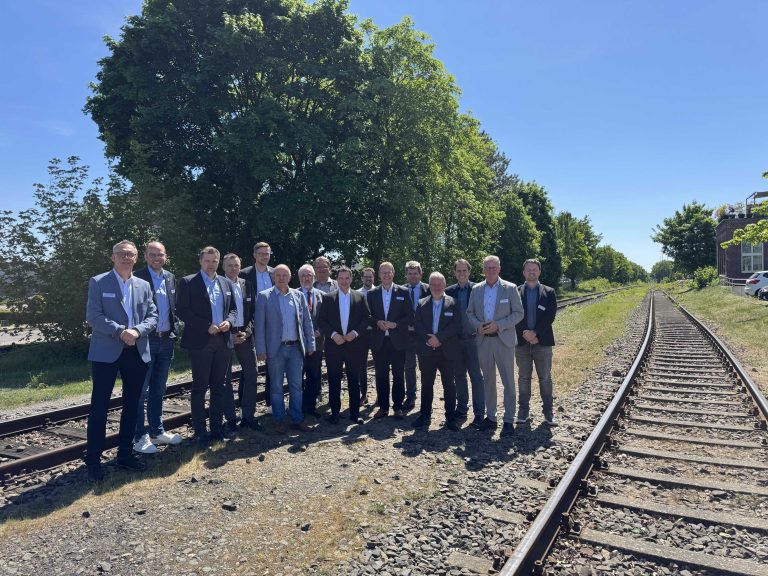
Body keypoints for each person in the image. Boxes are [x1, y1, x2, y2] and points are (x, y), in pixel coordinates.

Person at [85, 240, 158, 482]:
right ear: (113, 257)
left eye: (130, 254)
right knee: (100, 406)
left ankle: (125, 454)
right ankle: (93, 460)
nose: (126, 258)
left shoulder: (143, 285)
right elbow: (93, 315)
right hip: (107, 350)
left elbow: (153, 315)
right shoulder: (98, 282)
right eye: (121, 254)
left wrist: (136, 331)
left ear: (136, 258)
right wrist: (120, 331)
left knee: (132, 404)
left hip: (136, 349)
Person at [176, 246, 237, 445]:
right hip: (201, 341)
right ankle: (201, 431)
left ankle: (217, 428)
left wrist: (229, 321)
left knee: (219, 386)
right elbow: (182, 310)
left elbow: (234, 310)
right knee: (200, 387)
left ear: (218, 262)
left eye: (214, 261)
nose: (211, 264)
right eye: (207, 261)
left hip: (223, 340)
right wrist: (205, 326)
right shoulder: (188, 282)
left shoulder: (226, 283)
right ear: (201, 262)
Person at [132, 241, 182, 454]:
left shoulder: (170, 278)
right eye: (152, 254)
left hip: (166, 339)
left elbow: (173, 306)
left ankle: (157, 431)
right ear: (145, 256)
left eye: (160, 254)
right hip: (146, 340)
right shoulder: (137, 278)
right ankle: (139, 437)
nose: (156, 258)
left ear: (165, 256)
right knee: (140, 390)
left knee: (159, 389)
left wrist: (175, 330)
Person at [466, 255, 524, 437]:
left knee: (508, 381)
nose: (490, 270)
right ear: (483, 269)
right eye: (487, 267)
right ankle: (491, 417)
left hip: (503, 340)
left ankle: (508, 420)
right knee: (488, 381)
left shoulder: (510, 288)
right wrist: (478, 326)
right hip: (484, 341)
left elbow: (519, 313)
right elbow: (470, 312)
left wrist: (499, 325)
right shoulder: (476, 290)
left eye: (493, 267)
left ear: (499, 269)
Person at [254, 264, 316, 433]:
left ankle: (297, 419)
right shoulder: (264, 297)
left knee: (296, 386)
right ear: (274, 278)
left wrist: (311, 344)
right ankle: (279, 420)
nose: (281, 278)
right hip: (276, 350)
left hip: (296, 348)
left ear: (290, 278)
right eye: (278, 275)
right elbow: (259, 326)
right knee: (276, 387)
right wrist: (260, 350)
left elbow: (307, 322)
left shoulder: (298, 296)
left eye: (284, 275)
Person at [318, 266, 371, 425]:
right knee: (334, 379)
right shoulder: (328, 298)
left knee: (354, 380)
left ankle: (355, 413)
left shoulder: (360, 297)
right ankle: (334, 413)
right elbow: (322, 321)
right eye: (341, 278)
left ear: (351, 279)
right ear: (337, 279)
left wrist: (354, 333)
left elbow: (367, 318)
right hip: (334, 346)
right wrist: (334, 336)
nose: (344, 281)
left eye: (347, 278)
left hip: (354, 345)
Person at [412, 272, 460, 431]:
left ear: (444, 285)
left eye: (439, 284)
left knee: (449, 385)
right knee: (426, 384)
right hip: (426, 351)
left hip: (446, 350)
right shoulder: (421, 303)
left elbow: (456, 325)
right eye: (433, 284)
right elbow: (417, 323)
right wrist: (429, 339)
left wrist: (439, 338)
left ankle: (450, 418)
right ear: (429, 286)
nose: (436, 287)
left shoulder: (453, 303)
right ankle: (425, 416)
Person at [515, 259, 558, 426]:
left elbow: (550, 316)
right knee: (523, 378)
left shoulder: (549, 292)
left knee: (545, 378)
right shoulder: (516, 292)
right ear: (524, 273)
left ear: (539, 272)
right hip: (522, 342)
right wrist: (525, 332)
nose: (531, 272)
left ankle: (548, 413)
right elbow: (514, 314)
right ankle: (523, 412)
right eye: (528, 270)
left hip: (543, 342)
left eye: (534, 269)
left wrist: (535, 333)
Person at [222, 253, 262, 432]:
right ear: (224, 267)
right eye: (229, 265)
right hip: (225, 337)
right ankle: (231, 418)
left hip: (245, 335)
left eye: (236, 265)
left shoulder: (247, 285)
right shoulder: (218, 284)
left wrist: (246, 332)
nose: (233, 268)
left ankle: (248, 416)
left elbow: (253, 313)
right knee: (225, 379)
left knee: (252, 374)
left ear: (240, 266)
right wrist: (229, 334)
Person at [367, 262, 412, 419]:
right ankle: (383, 407)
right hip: (379, 341)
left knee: (399, 375)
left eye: (389, 272)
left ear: (393, 273)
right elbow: (368, 316)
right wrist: (377, 322)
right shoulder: (372, 294)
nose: (386, 275)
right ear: (379, 275)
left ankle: (398, 407)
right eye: (383, 272)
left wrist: (396, 324)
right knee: (381, 376)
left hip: (398, 341)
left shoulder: (404, 292)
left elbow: (410, 316)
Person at [446, 259, 485, 428]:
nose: (461, 273)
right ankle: (461, 409)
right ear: (454, 273)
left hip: (473, 340)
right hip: (455, 342)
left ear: (469, 272)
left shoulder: (479, 289)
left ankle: (479, 413)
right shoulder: (449, 292)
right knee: (459, 377)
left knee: (476, 377)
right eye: (458, 271)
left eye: (464, 271)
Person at [239, 241, 275, 406]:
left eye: (267, 253)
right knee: (249, 369)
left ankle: (269, 402)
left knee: (273, 367)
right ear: (254, 255)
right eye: (261, 253)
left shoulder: (275, 273)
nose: (264, 256)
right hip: (251, 325)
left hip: (272, 326)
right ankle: (244, 405)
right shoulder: (244, 274)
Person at [297, 264, 325, 418]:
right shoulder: (293, 294)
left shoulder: (322, 296)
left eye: (309, 275)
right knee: (297, 377)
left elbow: (326, 318)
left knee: (314, 376)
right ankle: (299, 407)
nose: (306, 278)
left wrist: (319, 331)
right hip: (298, 344)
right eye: (303, 275)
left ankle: (311, 406)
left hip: (317, 343)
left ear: (314, 277)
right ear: (299, 278)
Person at [403, 260, 430, 411]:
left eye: (415, 273)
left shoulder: (428, 289)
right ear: (406, 275)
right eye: (410, 273)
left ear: (421, 274)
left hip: (423, 336)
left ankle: (426, 398)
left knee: (425, 367)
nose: (413, 276)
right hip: (406, 335)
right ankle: (411, 397)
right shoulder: (400, 290)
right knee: (409, 367)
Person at [357, 267, 376, 406]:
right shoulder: (356, 294)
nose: (368, 279)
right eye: (366, 276)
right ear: (362, 278)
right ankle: (363, 395)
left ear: (373, 278)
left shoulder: (380, 292)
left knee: (380, 366)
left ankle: (381, 396)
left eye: (370, 276)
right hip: (362, 335)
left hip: (377, 333)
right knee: (361, 366)